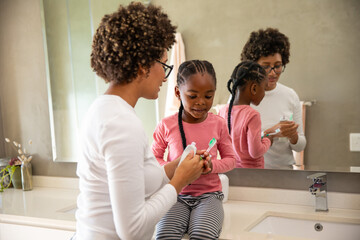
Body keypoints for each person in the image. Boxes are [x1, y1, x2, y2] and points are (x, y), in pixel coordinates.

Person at [73, 3, 209, 240]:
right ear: (142, 66)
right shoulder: (122, 123)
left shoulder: (104, 109)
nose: (166, 78)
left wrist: (176, 166)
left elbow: (136, 182)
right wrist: (179, 181)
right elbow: (132, 230)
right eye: (164, 66)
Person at [152, 60, 236, 239]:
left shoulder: (218, 124)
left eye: (208, 96)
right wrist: (177, 166)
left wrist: (212, 166)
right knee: (164, 235)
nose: (201, 103)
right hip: (174, 194)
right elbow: (154, 158)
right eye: (192, 96)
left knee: (203, 235)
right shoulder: (166, 125)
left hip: (209, 197)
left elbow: (231, 159)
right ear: (177, 92)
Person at [241, 27, 307, 169]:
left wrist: (293, 136)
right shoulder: (241, 98)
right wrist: (271, 132)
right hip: (250, 175)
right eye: (265, 67)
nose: (273, 73)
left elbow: (300, 146)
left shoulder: (290, 95)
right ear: (253, 66)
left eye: (277, 66)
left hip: (284, 174)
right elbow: (235, 145)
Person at [219, 61, 273, 168]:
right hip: (253, 175)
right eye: (264, 88)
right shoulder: (252, 115)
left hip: (232, 172)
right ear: (254, 88)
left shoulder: (223, 111)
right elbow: (255, 152)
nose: (264, 94)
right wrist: (268, 140)